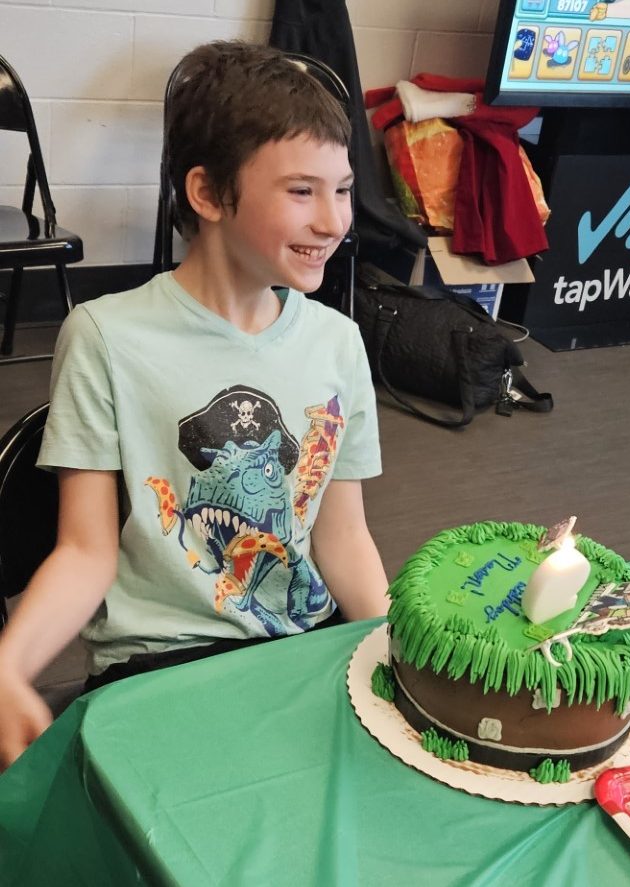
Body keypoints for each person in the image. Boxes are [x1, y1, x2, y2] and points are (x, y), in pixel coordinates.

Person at [0, 41, 389, 772]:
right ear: (208, 194)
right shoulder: (105, 336)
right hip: (157, 664)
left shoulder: (338, 343)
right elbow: (85, 550)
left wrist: (397, 645)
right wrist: (7, 665)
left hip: (302, 649)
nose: (333, 220)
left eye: (340, 190)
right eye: (301, 191)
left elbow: (342, 539)